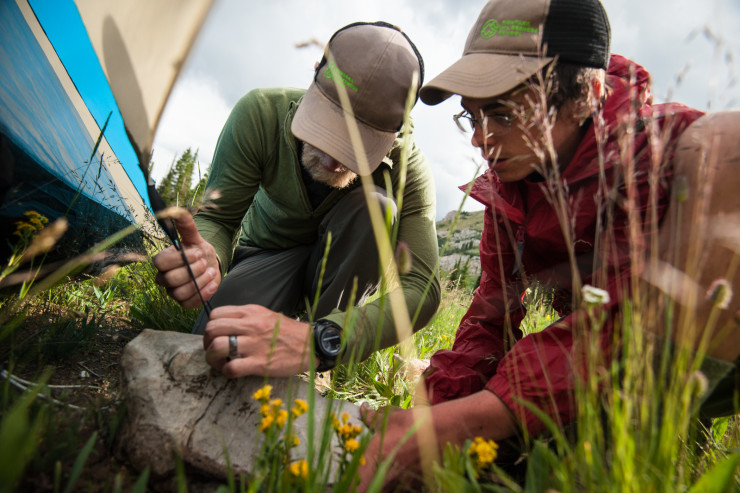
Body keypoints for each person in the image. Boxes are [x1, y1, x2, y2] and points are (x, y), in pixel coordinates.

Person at [357, 0, 740, 489]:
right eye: (471, 117)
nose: (481, 140)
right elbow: (490, 315)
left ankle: (642, 449)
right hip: (607, 356)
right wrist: (431, 406)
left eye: (503, 113)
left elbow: (618, 326)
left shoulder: (654, 161)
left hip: (693, 345)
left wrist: (461, 424)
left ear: (586, 96)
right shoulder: (511, 185)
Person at [152, 21, 440, 377]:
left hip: (342, 280)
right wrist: (207, 256)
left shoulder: (408, 167)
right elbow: (220, 220)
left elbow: (423, 288)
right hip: (267, 256)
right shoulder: (260, 113)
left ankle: (314, 363)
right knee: (219, 352)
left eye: (357, 148)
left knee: (378, 206)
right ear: (315, 72)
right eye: (326, 129)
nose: (334, 161)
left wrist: (326, 338)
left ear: (393, 133)